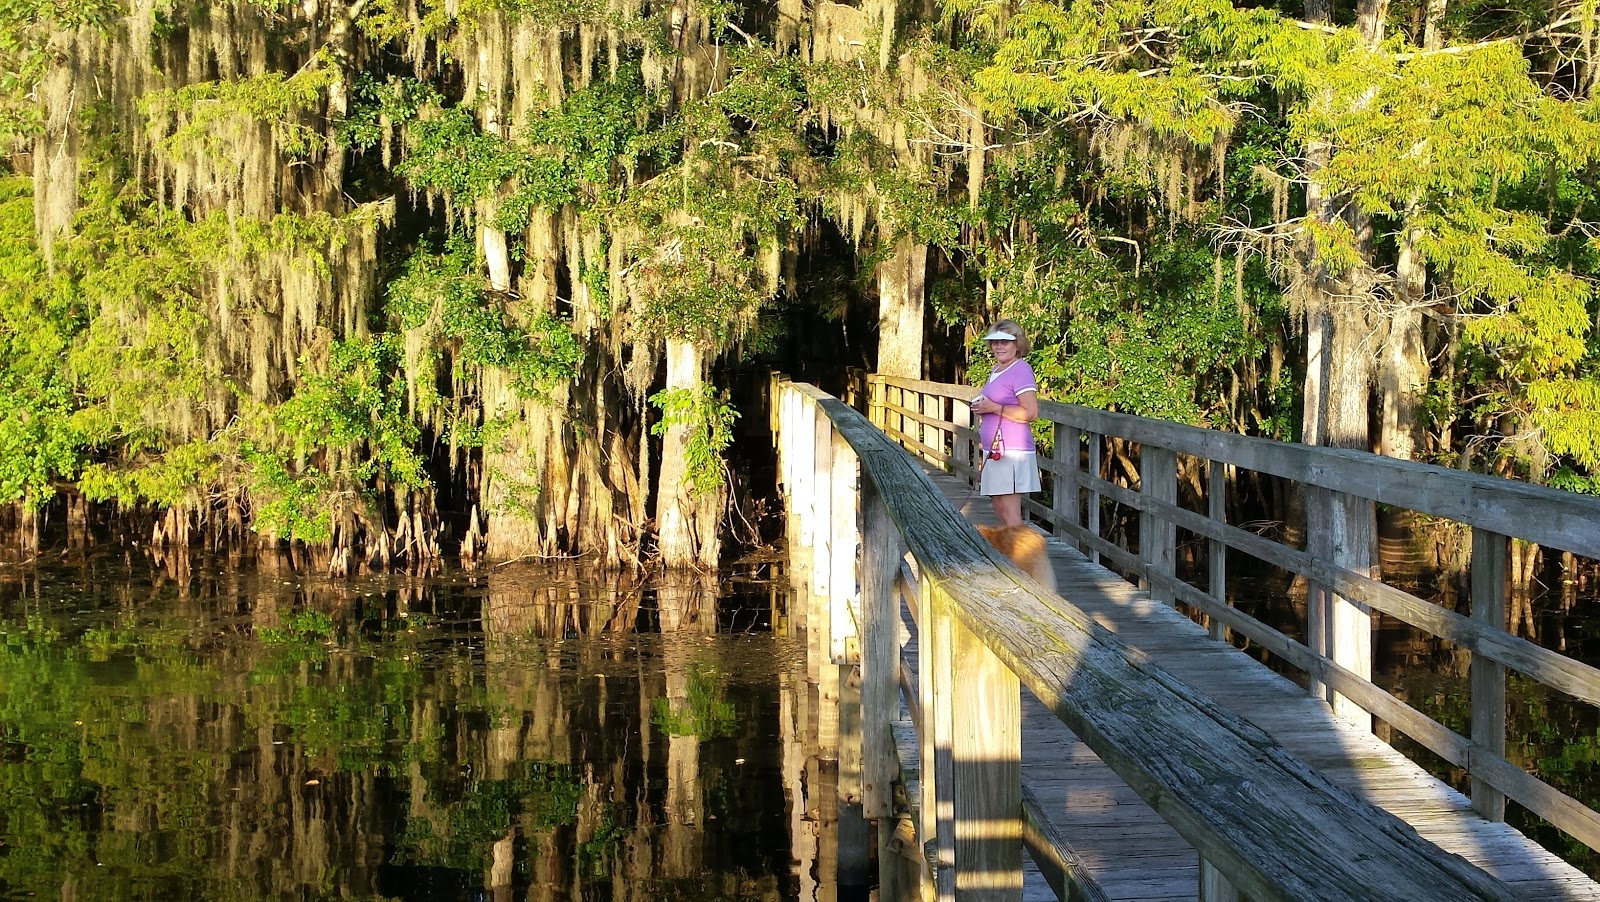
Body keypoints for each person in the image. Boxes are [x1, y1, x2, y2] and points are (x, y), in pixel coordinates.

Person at [970, 319, 1040, 527]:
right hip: (996, 450)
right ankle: (1011, 555)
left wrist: (993, 408)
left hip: (1012, 450)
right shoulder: (997, 369)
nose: (998, 346)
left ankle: (1024, 559)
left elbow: (1031, 412)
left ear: (1017, 344)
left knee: (1010, 513)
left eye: (1005, 342)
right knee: (999, 506)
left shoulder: (1021, 370)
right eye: (994, 342)